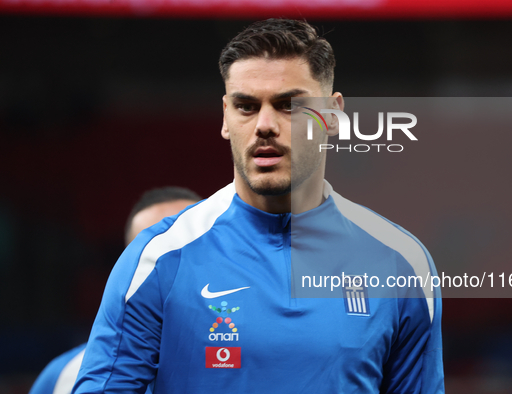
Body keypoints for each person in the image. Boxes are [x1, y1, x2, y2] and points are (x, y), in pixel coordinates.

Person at [73, 19, 444, 394]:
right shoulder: (159, 259)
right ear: (225, 116)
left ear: (333, 116)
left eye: (288, 105)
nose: (265, 125)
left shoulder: (400, 263)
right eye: (246, 106)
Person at [29, 187, 201, 394]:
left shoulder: (242, 359)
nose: (170, 273)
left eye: (190, 252)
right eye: (152, 259)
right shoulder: (65, 376)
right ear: (126, 270)